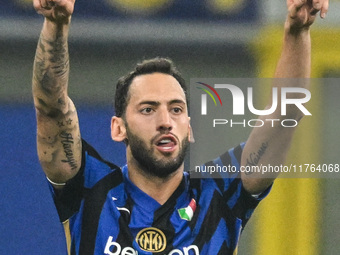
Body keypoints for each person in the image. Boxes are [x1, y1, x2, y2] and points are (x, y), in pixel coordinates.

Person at [32, 0, 329, 254]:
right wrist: (56, 25)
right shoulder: (90, 189)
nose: (165, 121)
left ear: (189, 127)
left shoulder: (219, 194)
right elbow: (51, 109)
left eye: (176, 109)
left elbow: (282, 120)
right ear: (118, 128)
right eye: (148, 109)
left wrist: (297, 30)